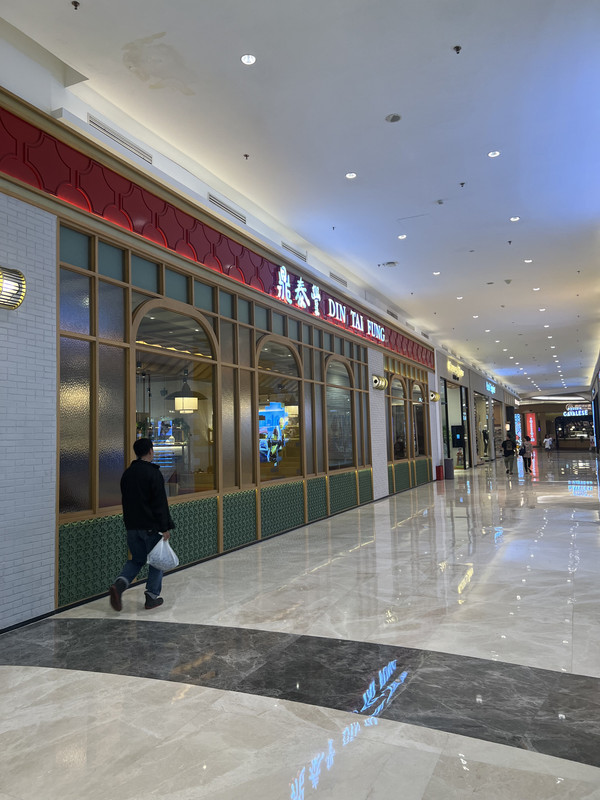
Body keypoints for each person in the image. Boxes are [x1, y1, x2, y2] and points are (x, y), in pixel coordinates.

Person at [109, 438, 174, 611]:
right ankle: (151, 596)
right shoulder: (153, 473)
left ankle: (119, 585)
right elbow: (159, 503)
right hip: (151, 527)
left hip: (132, 526)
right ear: (151, 451)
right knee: (156, 561)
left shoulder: (127, 473)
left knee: (136, 560)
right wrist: (164, 527)